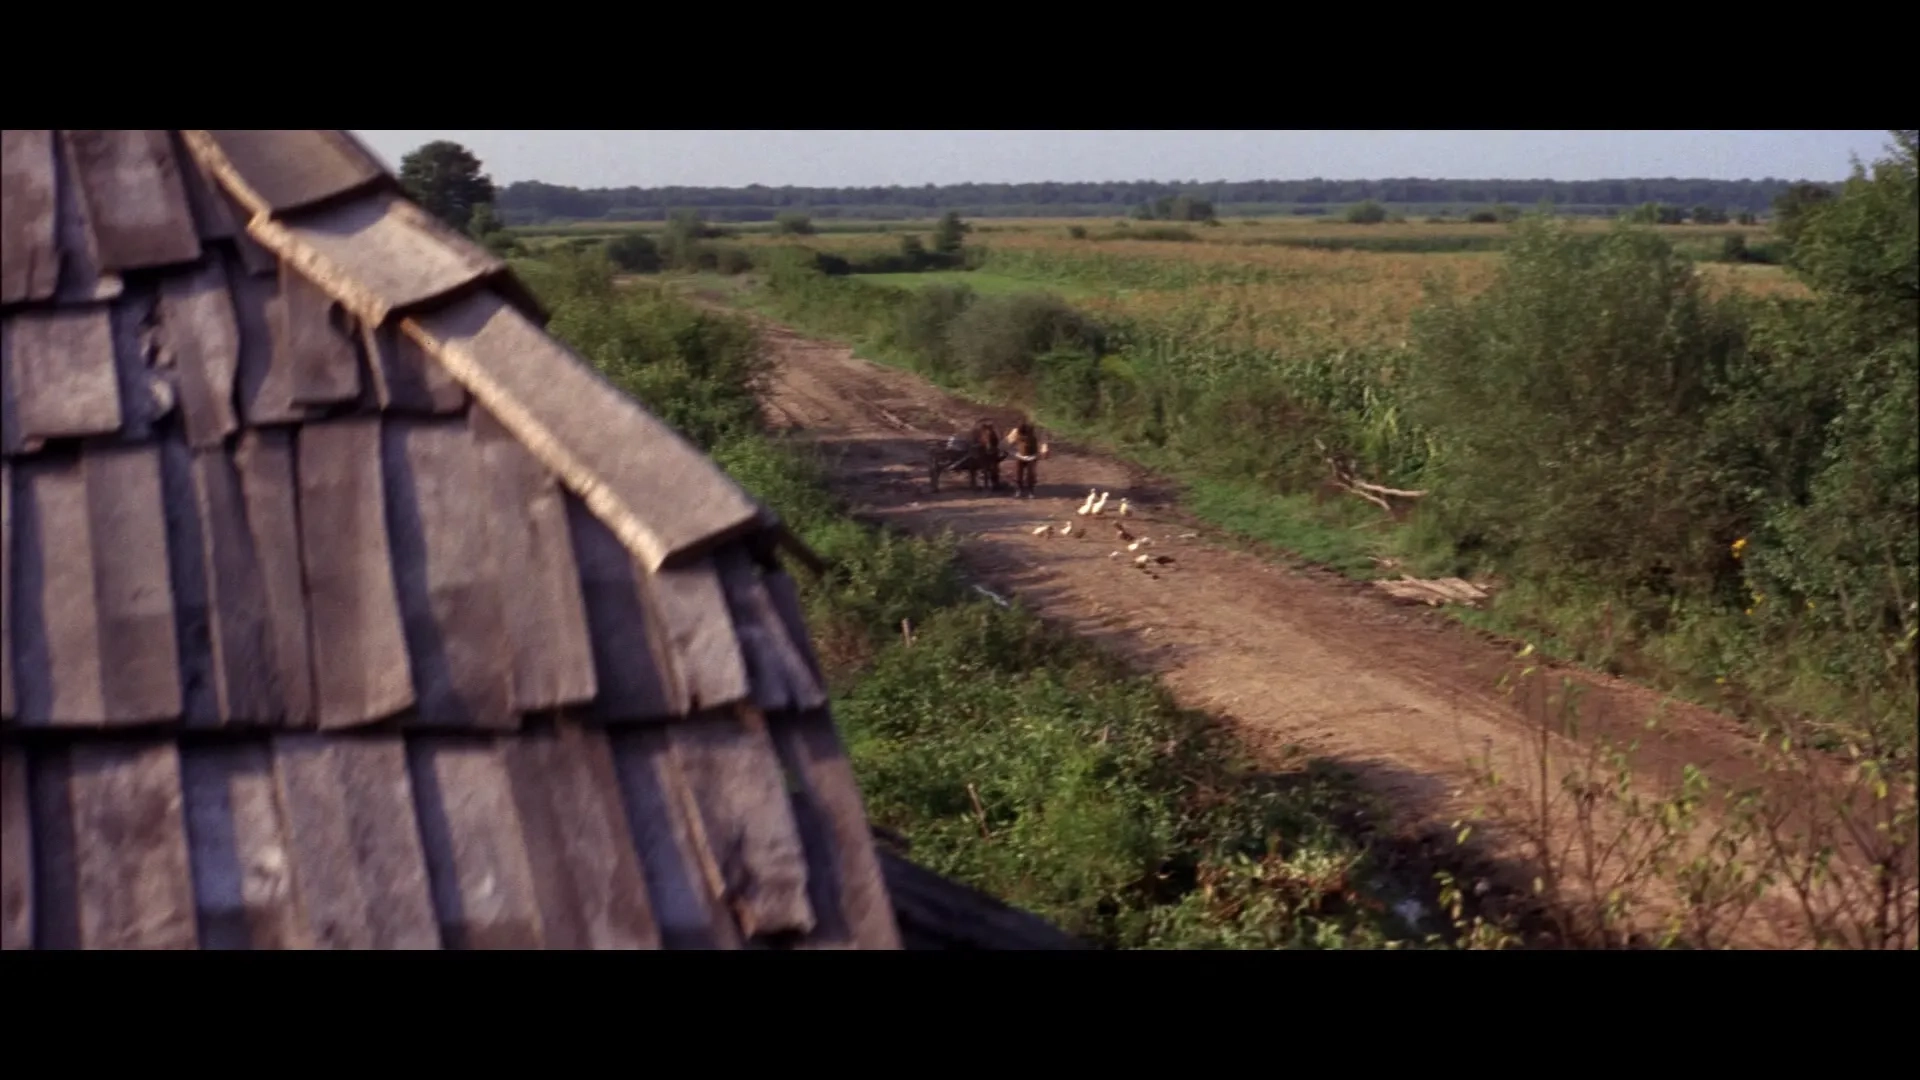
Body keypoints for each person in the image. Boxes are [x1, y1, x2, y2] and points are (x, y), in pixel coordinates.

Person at [1006, 417, 1045, 498]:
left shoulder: (1036, 432)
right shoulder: (1016, 432)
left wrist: (1043, 451)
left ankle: (1030, 491)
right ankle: (1019, 490)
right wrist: (1010, 449)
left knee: (1031, 474)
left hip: (1032, 456)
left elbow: (1042, 441)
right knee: (1018, 474)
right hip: (1020, 455)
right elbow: (1009, 441)